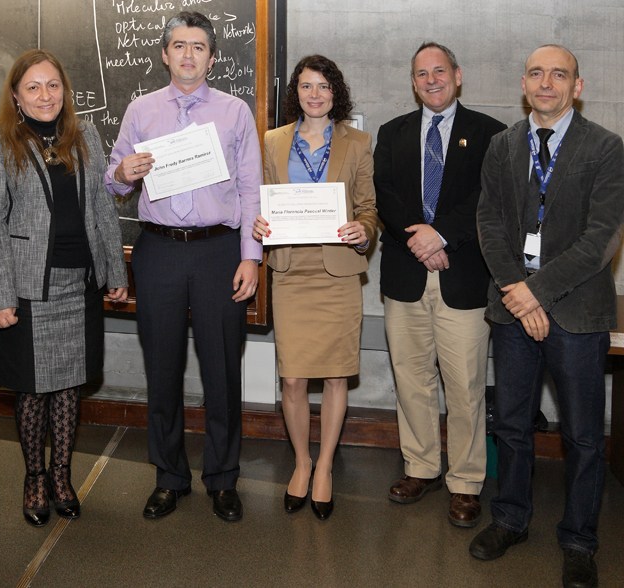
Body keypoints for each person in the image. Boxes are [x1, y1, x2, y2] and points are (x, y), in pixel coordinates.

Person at [471, 44, 624, 588]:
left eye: (559, 75)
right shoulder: (501, 146)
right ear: (523, 83)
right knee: (512, 425)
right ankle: (509, 518)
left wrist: (534, 294)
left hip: (576, 313)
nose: (546, 83)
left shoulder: (606, 148)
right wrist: (517, 292)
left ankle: (580, 539)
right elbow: (488, 222)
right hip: (512, 310)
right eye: (537, 73)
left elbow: (599, 242)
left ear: (576, 87)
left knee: (583, 435)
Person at [104, 11, 261, 522]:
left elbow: (249, 189)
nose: (188, 54)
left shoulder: (235, 112)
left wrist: (250, 258)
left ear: (212, 57)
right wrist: (122, 172)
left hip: (218, 251)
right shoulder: (141, 111)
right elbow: (114, 178)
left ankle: (222, 477)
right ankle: (169, 476)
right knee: (163, 368)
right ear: (165, 54)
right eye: (179, 45)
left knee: (221, 370)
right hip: (160, 250)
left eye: (198, 46)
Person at [0, 49, 128, 528]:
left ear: (64, 91)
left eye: (53, 85)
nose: (46, 95)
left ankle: (62, 477)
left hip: (78, 282)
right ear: (17, 98)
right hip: (27, 286)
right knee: (32, 390)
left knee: (68, 385)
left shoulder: (84, 136)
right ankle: (35, 479)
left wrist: (115, 273)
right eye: (34, 88)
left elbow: (104, 210)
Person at [374, 42, 505, 528]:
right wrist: (422, 240)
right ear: (413, 82)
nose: (431, 80)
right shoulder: (392, 133)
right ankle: (421, 467)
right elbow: (384, 194)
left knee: (466, 386)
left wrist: (441, 234)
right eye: (421, 74)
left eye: (439, 71)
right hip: (406, 276)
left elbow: (488, 200)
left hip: (463, 276)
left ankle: (466, 482)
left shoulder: (491, 134)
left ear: (457, 74)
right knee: (411, 380)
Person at [251, 55, 377, 520]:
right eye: (306, 86)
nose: (315, 94)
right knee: (293, 377)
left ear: (335, 91)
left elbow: (368, 207)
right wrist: (258, 222)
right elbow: (259, 198)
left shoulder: (358, 142)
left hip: (338, 272)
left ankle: (324, 467)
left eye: (323, 86)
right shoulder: (273, 141)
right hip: (290, 271)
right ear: (296, 93)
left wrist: (364, 230)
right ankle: (301, 462)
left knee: (337, 375)